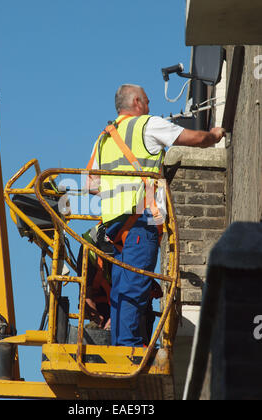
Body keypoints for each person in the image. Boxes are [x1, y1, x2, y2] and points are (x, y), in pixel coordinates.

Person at [87, 84, 225, 347]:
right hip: (141, 222)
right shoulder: (146, 125)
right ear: (137, 102)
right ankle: (129, 349)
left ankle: (120, 346)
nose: (150, 106)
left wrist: (119, 192)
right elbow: (193, 139)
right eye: (148, 101)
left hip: (114, 227)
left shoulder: (104, 137)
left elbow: (90, 183)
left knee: (120, 288)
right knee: (136, 285)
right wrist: (214, 135)